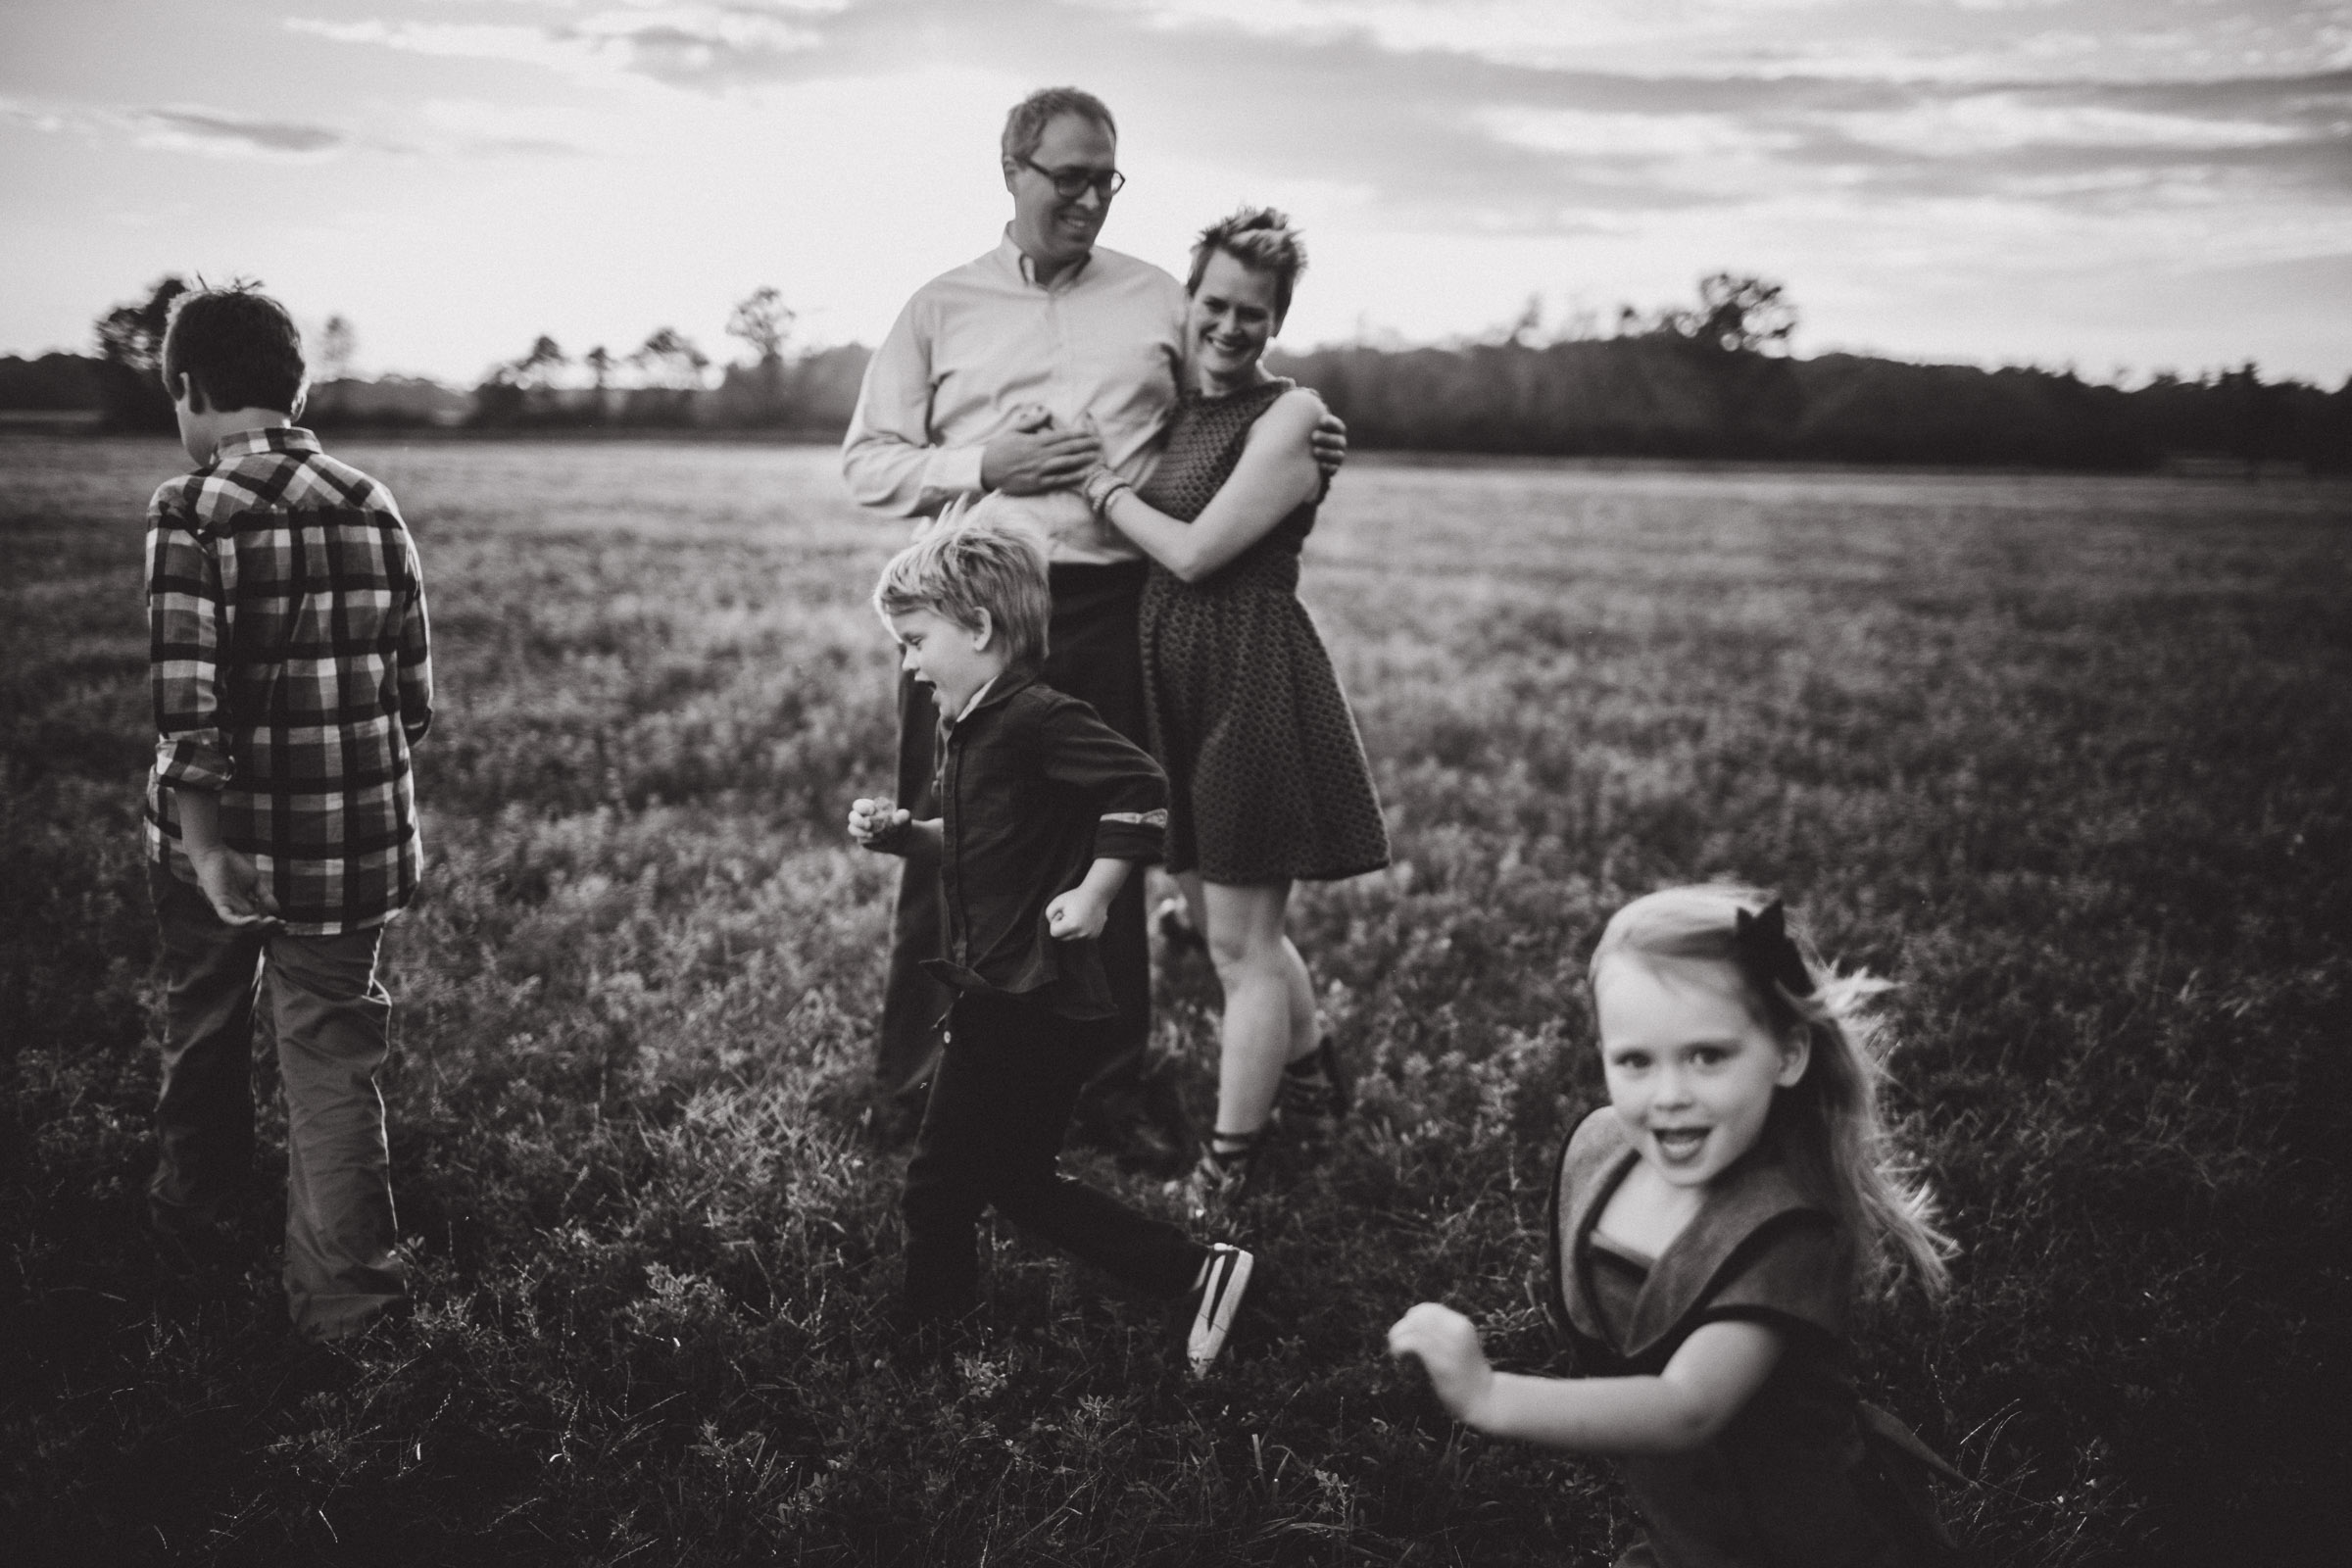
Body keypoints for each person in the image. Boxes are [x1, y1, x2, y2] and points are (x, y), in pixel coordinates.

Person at [841, 85, 1345, 1098]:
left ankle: (1105, 1089)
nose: (1089, 199)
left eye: (1105, 179)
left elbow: (1229, 384)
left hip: (1117, 608)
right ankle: (917, 1084)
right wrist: (985, 464)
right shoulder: (940, 306)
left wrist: (1304, 421)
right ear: (1012, 171)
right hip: (973, 611)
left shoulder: (1157, 295)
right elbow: (867, 466)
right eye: (1068, 177)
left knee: (1112, 835)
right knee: (954, 841)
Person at [1387, 886, 1965, 1567]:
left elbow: (1687, 1406)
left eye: (1708, 1056)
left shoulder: (1788, 1229)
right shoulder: (1603, 1155)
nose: (1668, 1095)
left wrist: (1488, 1395)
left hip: (1802, 1541)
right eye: (1636, 1060)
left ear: (1786, 1055)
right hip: (1687, 1531)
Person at [846, 523, 1253, 1376]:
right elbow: (977, 837)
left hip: (1027, 989)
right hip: (1006, 986)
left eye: (917, 643)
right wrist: (904, 837)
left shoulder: (1038, 717)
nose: (911, 666)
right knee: (1018, 1180)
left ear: (982, 629)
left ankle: (924, 1354)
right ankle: (1195, 1272)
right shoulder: (974, 722)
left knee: (937, 1186)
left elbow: (1143, 789)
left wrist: (1098, 892)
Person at [1075, 208, 1388, 1210]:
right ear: (1188, 300)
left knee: (1237, 947)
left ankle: (1224, 1169)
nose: (1229, 327)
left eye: (1254, 313)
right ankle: (1316, 1083)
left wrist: (1103, 493)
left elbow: (1201, 552)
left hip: (1247, 678)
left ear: (1278, 319)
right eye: (1213, 303)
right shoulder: (1179, 407)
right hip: (1181, 684)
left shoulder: (1293, 415)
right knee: (1228, 921)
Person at [140, 281, 432, 1340]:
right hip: (351, 847)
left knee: (206, 1027)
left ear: (189, 388)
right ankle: (348, 1314)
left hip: (216, 853)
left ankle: (199, 1228)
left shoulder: (190, 512)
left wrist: (209, 850)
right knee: (333, 1062)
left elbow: (187, 711)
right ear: (295, 385)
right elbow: (415, 699)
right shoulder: (372, 501)